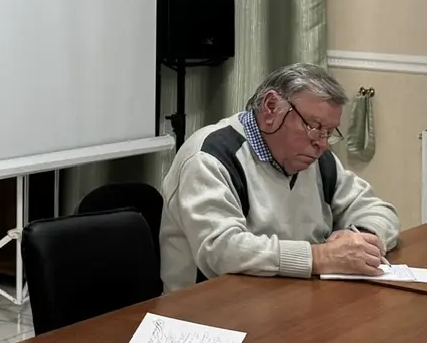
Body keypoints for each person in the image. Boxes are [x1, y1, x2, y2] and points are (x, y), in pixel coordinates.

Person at [158, 62, 400, 288]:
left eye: (329, 132)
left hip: (292, 296)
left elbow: (377, 210)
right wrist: (320, 257)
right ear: (271, 108)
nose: (322, 143)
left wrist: (363, 241)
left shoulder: (316, 159)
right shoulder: (209, 157)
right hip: (209, 309)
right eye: (314, 127)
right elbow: (223, 251)